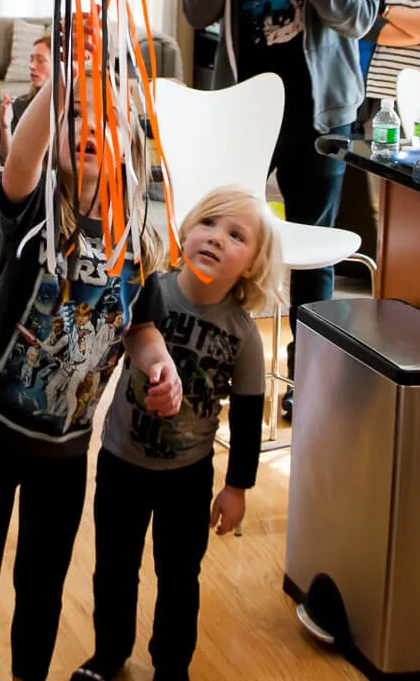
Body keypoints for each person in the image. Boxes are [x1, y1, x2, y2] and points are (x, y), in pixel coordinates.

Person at [0, 71, 182, 681]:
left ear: (130, 145)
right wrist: (68, 81)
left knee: (42, 593)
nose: (88, 128)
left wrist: (160, 364)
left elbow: (141, 326)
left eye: (105, 120)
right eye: (76, 117)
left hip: (64, 453)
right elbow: (25, 156)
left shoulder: (137, 239)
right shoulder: (35, 207)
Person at [182, 0, 377, 419]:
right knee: (216, 239)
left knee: (313, 258)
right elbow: (195, 11)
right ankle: (202, 365)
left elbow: (360, 17)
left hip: (318, 119)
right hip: (241, 114)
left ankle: (307, 381)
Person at [72, 187, 281, 681]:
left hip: (188, 476)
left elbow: (250, 416)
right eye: (208, 223)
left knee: (180, 576)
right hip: (122, 458)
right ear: (185, 230)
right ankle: (109, 653)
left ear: (251, 264)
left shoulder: (242, 333)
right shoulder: (150, 290)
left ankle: (172, 666)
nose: (215, 238)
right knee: (115, 568)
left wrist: (237, 488)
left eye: (236, 236)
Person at [0, 32, 52, 258]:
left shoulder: (70, 109)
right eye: (31, 59)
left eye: (40, 60)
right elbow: (7, 159)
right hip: (20, 196)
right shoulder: (22, 105)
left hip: (51, 196)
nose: (32, 66)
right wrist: (5, 127)